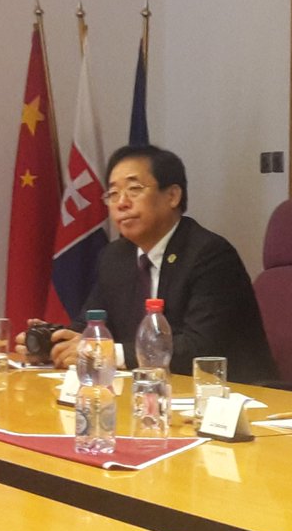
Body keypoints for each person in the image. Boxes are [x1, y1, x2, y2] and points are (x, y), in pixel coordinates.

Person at [17, 145, 277, 384]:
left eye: (134, 189)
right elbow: (89, 325)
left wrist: (109, 354)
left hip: (233, 396)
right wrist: (53, 343)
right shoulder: (115, 257)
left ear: (172, 196)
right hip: (149, 394)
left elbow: (200, 348)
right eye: (113, 194)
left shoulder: (210, 255)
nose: (122, 203)